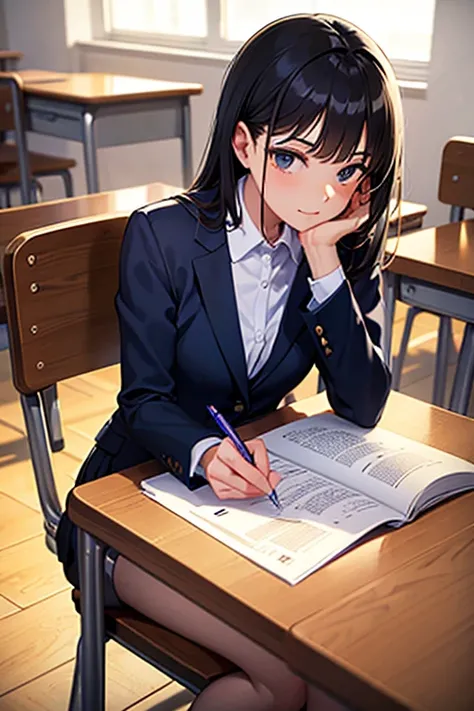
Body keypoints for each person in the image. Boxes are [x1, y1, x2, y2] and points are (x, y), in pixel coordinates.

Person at [57, 13, 403, 711]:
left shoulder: (334, 243)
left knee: (345, 676)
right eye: (292, 158)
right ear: (245, 144)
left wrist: (324, 259)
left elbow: (362, 403)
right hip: (133, 504)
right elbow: (144, 401)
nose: (320, 193)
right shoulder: (164, 238)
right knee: (284, 679)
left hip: (256, 510)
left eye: (345, 170)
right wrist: (209, 451)